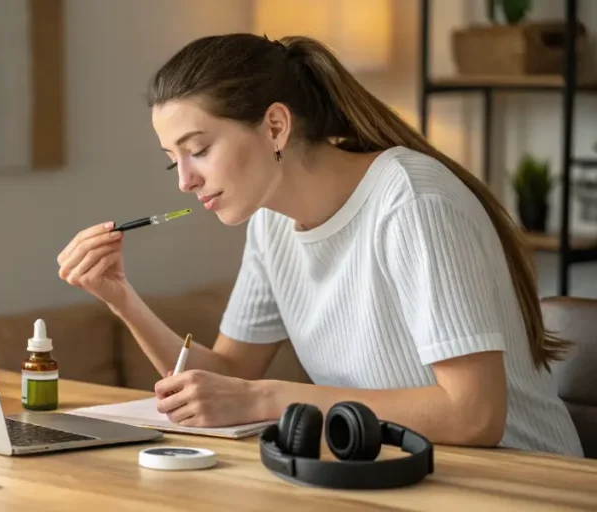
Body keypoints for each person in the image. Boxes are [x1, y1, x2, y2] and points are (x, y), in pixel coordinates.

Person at [55, 33, 584, 457]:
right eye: (175, 159)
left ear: (276, 126)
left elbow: (474, 416)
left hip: (522, 481)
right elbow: (231, 377)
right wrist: (121, 297)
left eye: (198, 150)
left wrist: (267, 398)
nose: (184, 182)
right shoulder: (270, 224)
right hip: (392, 479)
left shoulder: (411, 201)